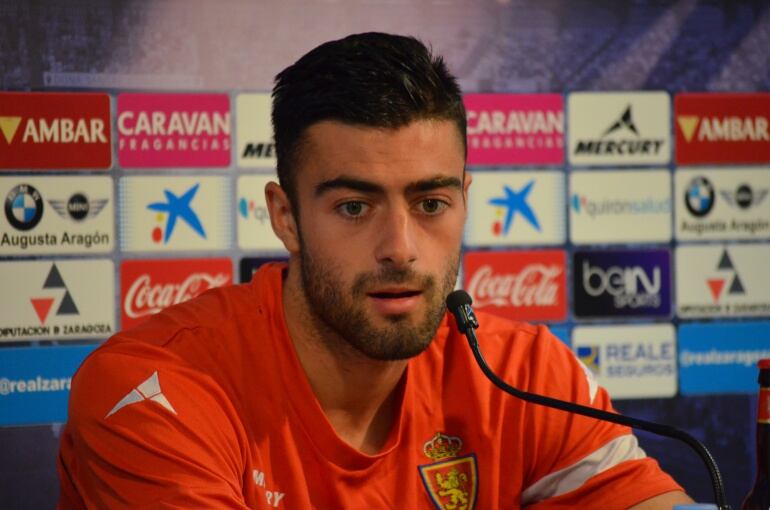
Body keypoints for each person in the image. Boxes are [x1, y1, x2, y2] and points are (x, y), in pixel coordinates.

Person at [58, 32, 693, 509]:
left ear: (465, 201)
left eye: (431, 203)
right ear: (285, 217)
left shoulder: (526, 375)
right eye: (355, 206)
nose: (401, 247)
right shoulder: (152, 390)